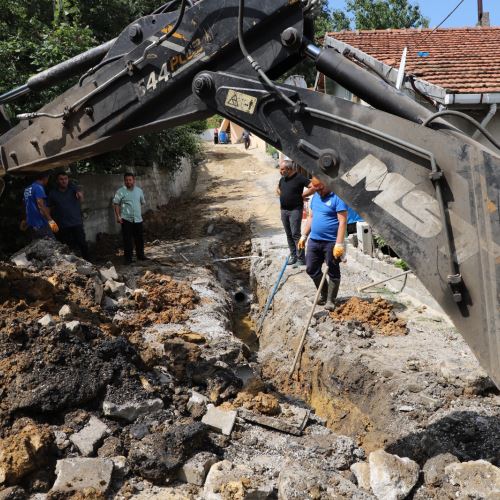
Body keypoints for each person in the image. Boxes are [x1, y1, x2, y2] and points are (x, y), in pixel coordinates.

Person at [298, 176, 347, 311]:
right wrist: (304, 235)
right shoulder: (316, 197)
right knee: (311, 268)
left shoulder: (338, 198)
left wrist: (339, 244)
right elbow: (311, 217)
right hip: (314, 240)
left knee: (333, 270)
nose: (318, 191)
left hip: (331, 242)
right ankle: (324, 294)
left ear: (327, 183)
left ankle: (331, 299)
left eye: (320, 188)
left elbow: (342, 222)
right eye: (316, 189)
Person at [277, 157, 311, 266]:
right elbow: (278, 189)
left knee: (295, 234)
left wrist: (302, 195)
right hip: (284, 210)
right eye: (280, 169)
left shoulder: (299, 178)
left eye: (282, 169)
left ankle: (301, 258)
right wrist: (280, 193)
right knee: (288, 234)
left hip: (295, 210)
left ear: (289, 169)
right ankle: (293, 256)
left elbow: (313, 186)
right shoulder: (283, 179)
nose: (280, 171)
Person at [48, 171, 89, 260]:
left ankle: (89, 263)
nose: (64, 181)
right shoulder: (53, 193)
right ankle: (72, 267)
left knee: (82, 244)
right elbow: (48, 209)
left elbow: (81, 197)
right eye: (61, 179)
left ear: (68, 180)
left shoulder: (73, 189)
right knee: (68, 248)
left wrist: (79, 193)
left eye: (65, 179)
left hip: (77, 223)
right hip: (62, 226)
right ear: (57, 181)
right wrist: (51, 222)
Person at [113, 173, 146, 264]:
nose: (128, 182)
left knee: (139, 238)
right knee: (127, 239)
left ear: (133, 180)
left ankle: (141, 255)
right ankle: (128, 258)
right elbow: (116, 204)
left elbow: (142, 202)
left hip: (138, 219)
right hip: (126, 219)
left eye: (130, 180)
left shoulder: (139, 191)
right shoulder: (120, 191)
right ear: (124, 181)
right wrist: (118, 216)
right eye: (126, 180)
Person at [23, 172, 58, 240]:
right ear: (45, 178)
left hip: (31, 225)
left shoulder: (27, 189)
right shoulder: (38, 187)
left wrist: (25, 220)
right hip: (41, 224)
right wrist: (51, 222)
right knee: (52, 246)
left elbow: (26, 205)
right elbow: (41, 205)